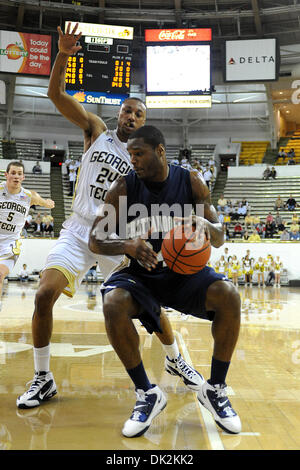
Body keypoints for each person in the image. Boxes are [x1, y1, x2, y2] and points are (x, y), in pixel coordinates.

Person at [16, 24, 200, 411]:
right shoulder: (95, 131)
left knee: (150, 306)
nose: (131, 116)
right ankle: (43, 377)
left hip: (119, 236)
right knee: (44, 293)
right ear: (119, 114)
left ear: (144, 124)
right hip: (80, 227)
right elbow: (55, 94)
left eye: (138, 114)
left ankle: (176, 359)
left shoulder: (145, 160)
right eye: (127, 110)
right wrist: (64, 53)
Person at [88, 125, 242, 437]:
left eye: (139, 154)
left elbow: (220, 237)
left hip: (183, 275)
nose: (133, 160)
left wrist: (204, 225)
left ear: (160, 151)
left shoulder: (190, 181)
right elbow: (95, 239)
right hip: (141, 275)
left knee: (229, 296)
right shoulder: (123, 187)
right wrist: (127, 245)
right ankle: (147, 392)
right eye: (130, 154)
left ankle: (214, 389)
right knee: (113, 302)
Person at [0, 161, 55, 310]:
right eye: (13, 173)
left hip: (10, 242)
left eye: (19, 174)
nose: (16, 176)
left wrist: (48, 203)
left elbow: (45, 203)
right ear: (6, 175)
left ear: (23, 177)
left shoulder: (29, 196)